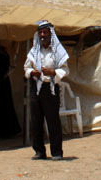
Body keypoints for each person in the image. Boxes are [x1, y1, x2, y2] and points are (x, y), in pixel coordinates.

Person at [24, 21, 69, 160]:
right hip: (36, 88)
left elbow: (65, 70)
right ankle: (39, 151)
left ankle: (56, 152)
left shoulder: (58, 51)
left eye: (45, 32)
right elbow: (26, 68)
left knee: (52, 120)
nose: (43, 35)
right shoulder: (34, 51)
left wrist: (53, 72)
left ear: (51, 33)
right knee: (36, 120)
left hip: (51, 88)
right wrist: (33, 73)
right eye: (41, 32)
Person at [0, 41, 21, 138]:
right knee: (3, 108)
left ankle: (4, 131)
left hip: (1, 87)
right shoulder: (1, 59)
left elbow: (0, 75)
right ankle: (4, 131)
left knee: (3, 108)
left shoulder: (1, 59)